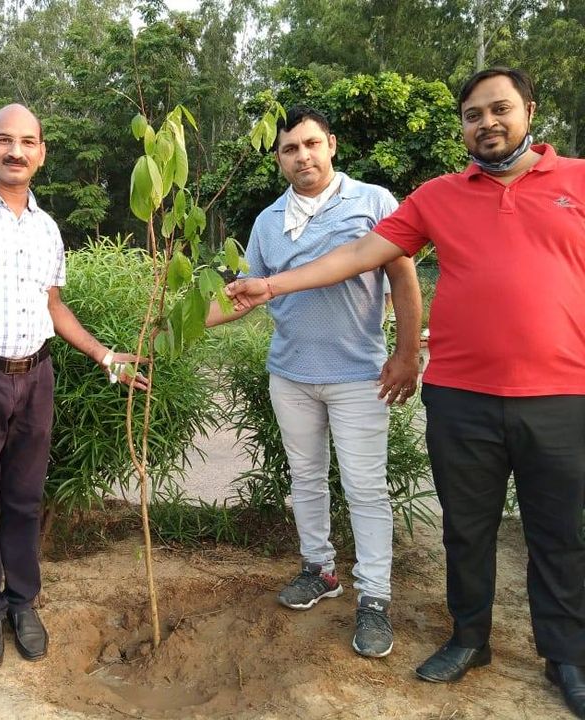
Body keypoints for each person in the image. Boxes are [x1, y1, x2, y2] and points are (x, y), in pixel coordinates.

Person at [225, 68, 585, 717]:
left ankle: (566, 655)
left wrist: (398, 352)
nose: (487, 122)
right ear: (462, 126)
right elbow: (361, 254)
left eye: (499, 109)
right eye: (473, 114)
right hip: (460, 393)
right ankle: (469, 638)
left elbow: (390, 273)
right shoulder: (437, 197)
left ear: (530, 110)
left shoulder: (577, 183)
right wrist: (265, 289)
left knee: (558, 532)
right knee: (466, 529)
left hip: (559, 393)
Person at [0, 103, 147, 670]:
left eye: (28, 142)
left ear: (41, 153)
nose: (16, 151)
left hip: (35, 375)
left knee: (23, 498)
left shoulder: (46, 226)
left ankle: (23, 602)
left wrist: (104, 355)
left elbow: (53, 307)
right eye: (5, 141)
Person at [207, 106, 421, 658]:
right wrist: (168, 328)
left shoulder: (371, 201)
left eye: (310, 144)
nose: (302, 156)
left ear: (331, 144)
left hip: (357, 375)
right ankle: (319, 570)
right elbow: (245, 296)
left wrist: (405, 353)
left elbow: (403, 277)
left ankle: (374, 598)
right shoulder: (267, 221)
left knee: (364, 488)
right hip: (291, 375)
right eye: (289, 149)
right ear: (278, 159)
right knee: (305, 478)